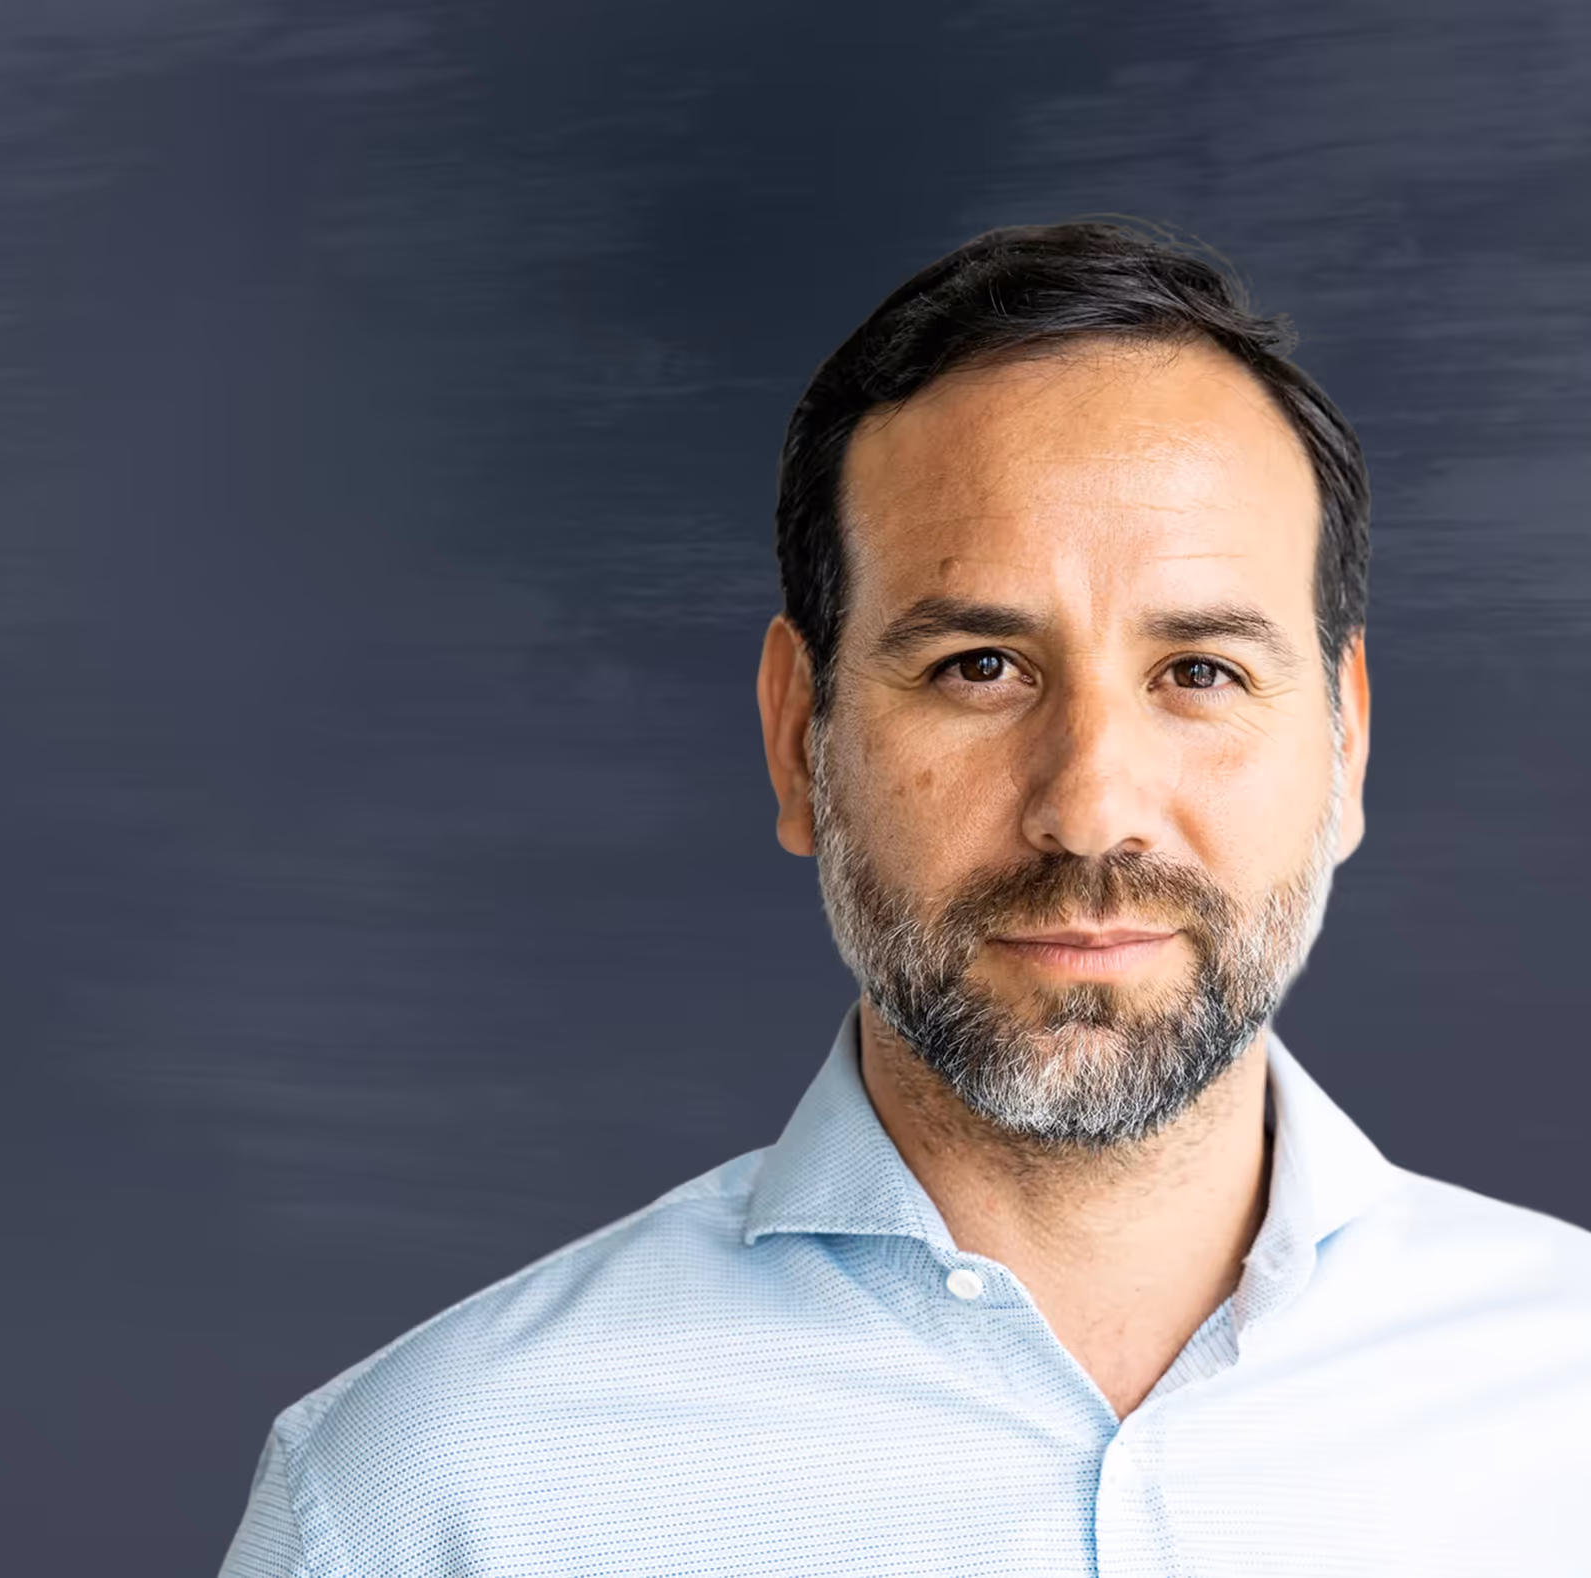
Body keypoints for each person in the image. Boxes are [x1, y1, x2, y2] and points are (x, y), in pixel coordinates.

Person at [217, 220, 1591, 1577]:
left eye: (1200, 672)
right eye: (981, 666)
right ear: (796, 734)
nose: (1091, 803)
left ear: (1343, 743)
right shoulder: (432, 1498)